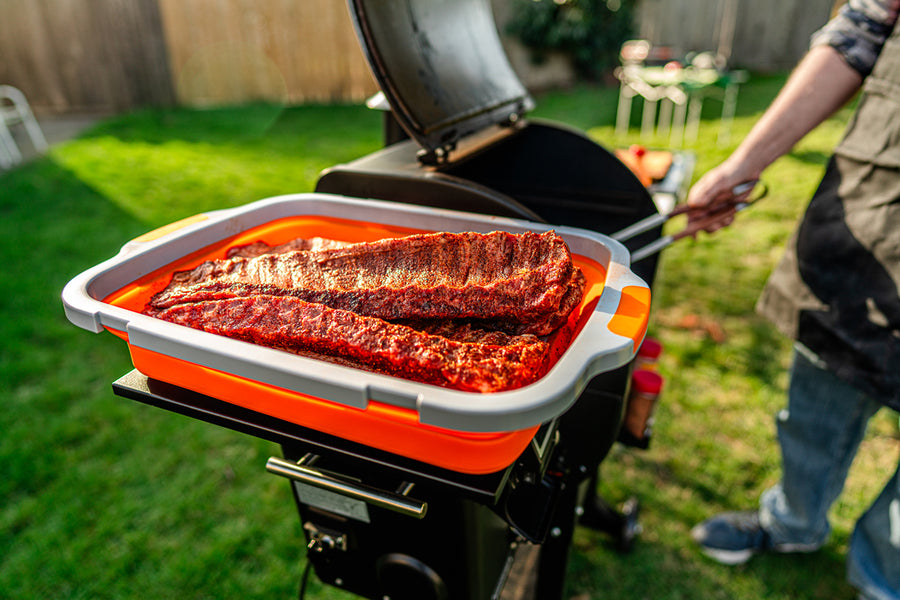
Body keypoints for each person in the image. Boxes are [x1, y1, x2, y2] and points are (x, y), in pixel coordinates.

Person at [685, 1, 900, 598]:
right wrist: (742, 167)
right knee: (816, 400)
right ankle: (794, 522)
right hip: (870, 208)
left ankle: (883, 579)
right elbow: (857, 34)